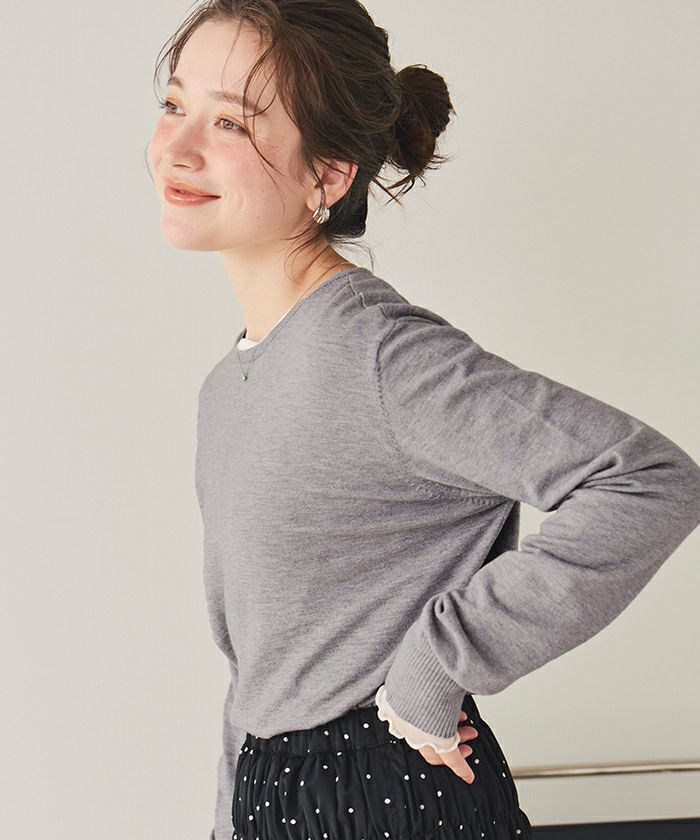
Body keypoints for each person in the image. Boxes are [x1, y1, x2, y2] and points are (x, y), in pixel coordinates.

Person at [146, 3, 700, 839]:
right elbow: (261, 671)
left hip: (386, 791)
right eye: (174, 103)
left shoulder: (377, 356)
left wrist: (436, 665)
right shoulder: (227, 388)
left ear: (328, 176)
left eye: (231, 121)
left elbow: (649, 481)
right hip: (272, 792)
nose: (178, 148)